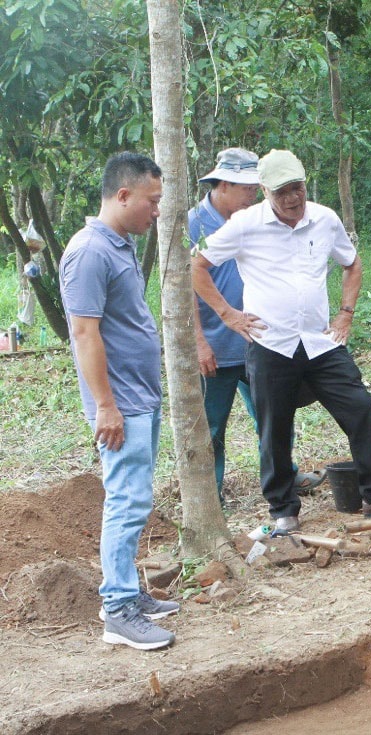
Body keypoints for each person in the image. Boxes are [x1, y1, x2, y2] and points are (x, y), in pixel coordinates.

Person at [191, 149, 371, 529]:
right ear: (264, 190)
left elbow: (352, 263)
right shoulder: (244, 225)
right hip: (270, 343)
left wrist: (345, 313)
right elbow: (197, 264)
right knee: (273, 426)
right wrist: (228, 314)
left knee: (360, 408)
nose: (292, 198)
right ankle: (283, 511)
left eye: (297, 188)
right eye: (282, 192)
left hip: (321, 342)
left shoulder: (324, 219)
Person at [59, 152, 179, 650]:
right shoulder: (89, 251)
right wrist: (105, 405)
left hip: (138, 394)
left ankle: (128, 592)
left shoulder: (120, 244)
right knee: (126, 501)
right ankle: (118, 610)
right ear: (123, 195)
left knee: (135, 498)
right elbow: (85, 334)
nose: (157, 211)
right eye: (152, 202)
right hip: (120, 401)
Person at [189, 147, 324, 501]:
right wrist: (200, 341)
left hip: (261, 340)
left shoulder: (265, 218)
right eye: (248, 188)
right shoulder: (194, 224)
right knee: (212, 425)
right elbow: (183, 287)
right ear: (223, 184)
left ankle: (286, 475)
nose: (254, 194)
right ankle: (210, 494)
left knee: (274, 415)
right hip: (218, 345)